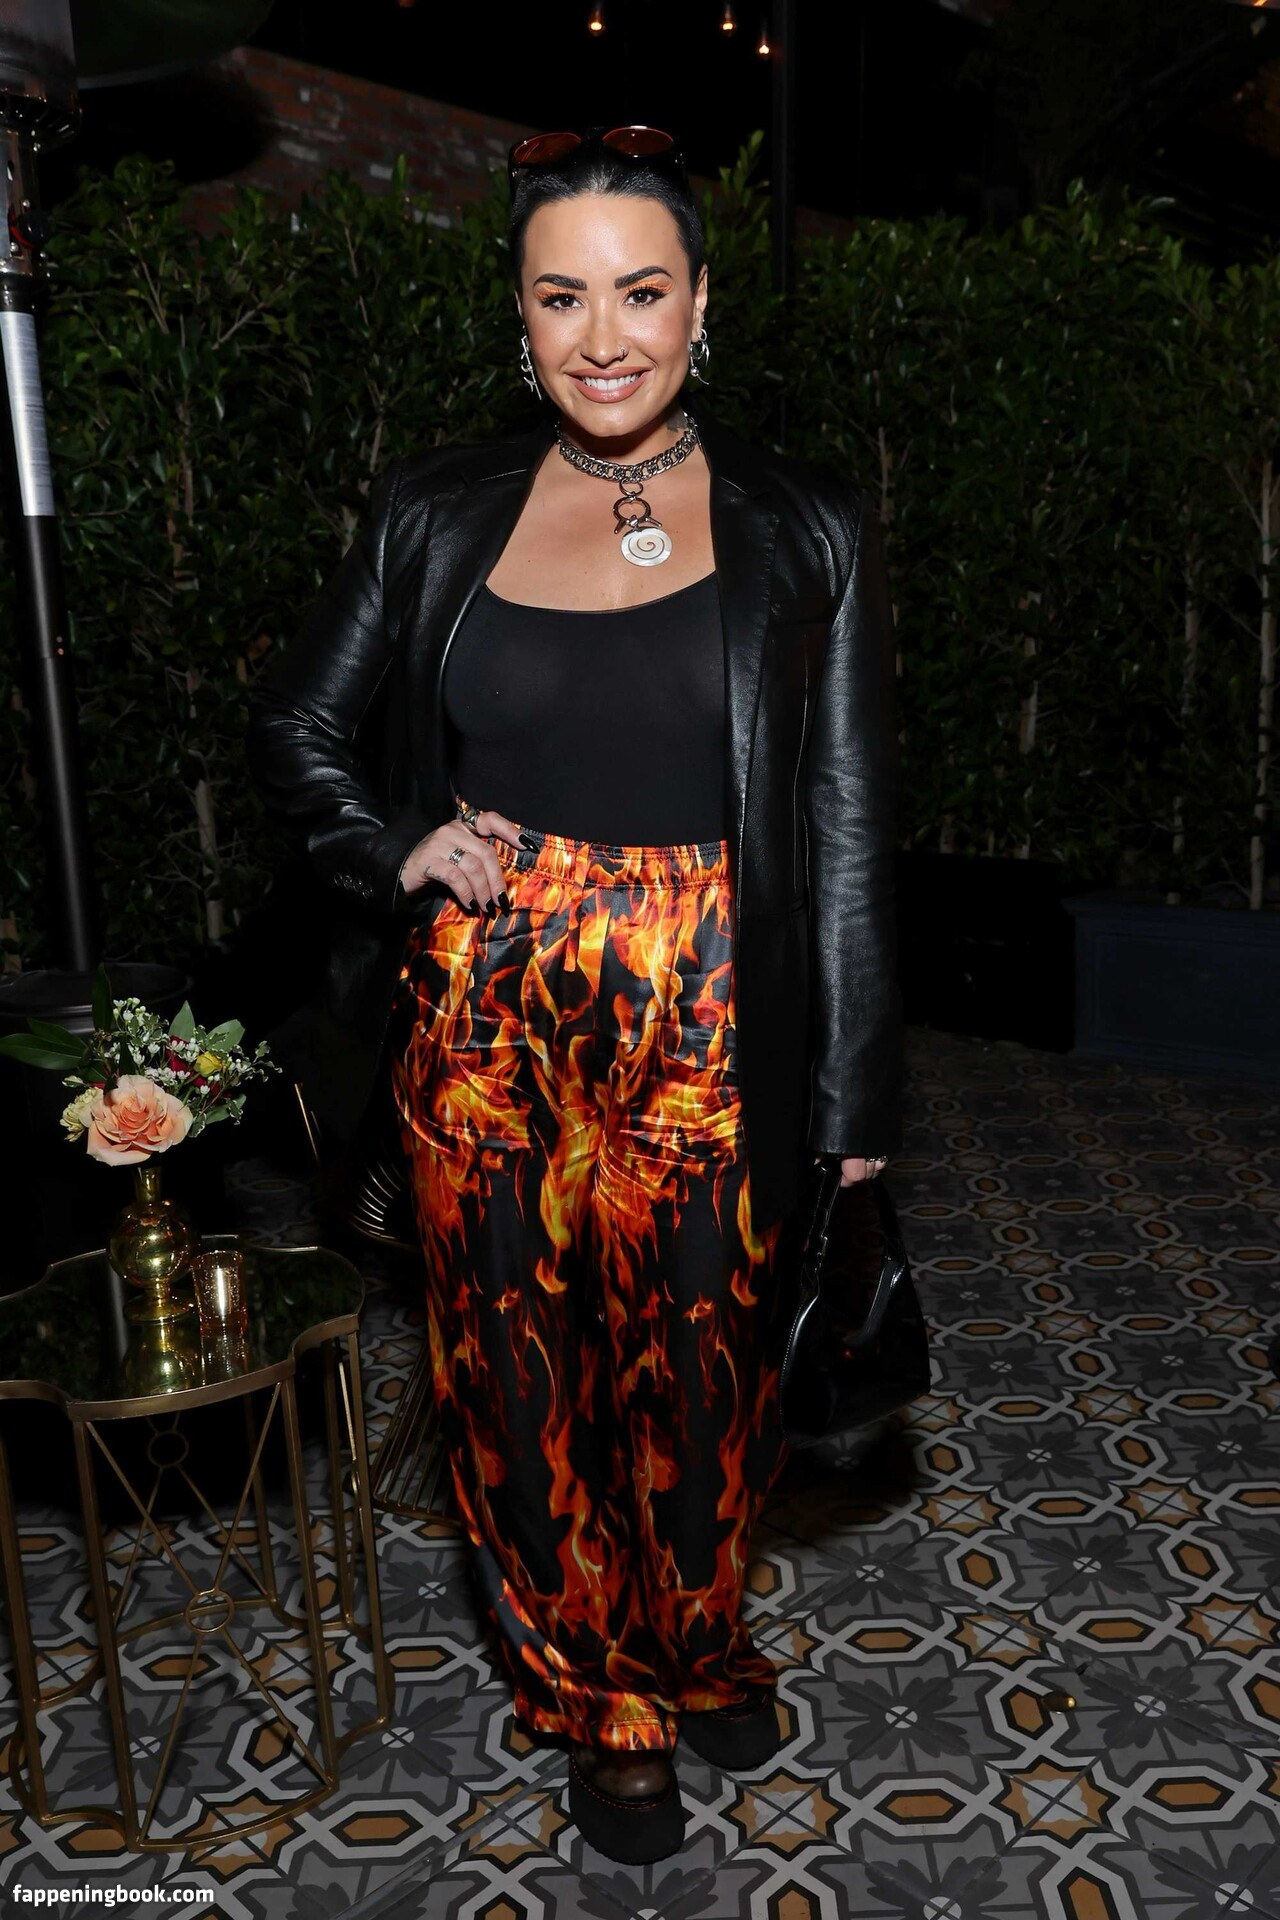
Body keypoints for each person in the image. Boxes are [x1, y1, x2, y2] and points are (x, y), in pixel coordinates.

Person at [247, 123, 903, 1865]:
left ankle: (696, 1637)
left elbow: (845, 817)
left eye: (640, 291)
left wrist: (853, 1105)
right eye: (561, 298)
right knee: (515, 1376)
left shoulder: (806, 523)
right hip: (491, 992)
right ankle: (601, 1698)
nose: (602, 337)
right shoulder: (436, 508)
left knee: (704, 1372)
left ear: (700, 301)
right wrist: (392, 844)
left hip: (713, 993)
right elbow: (298, 721)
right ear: (521, 316)